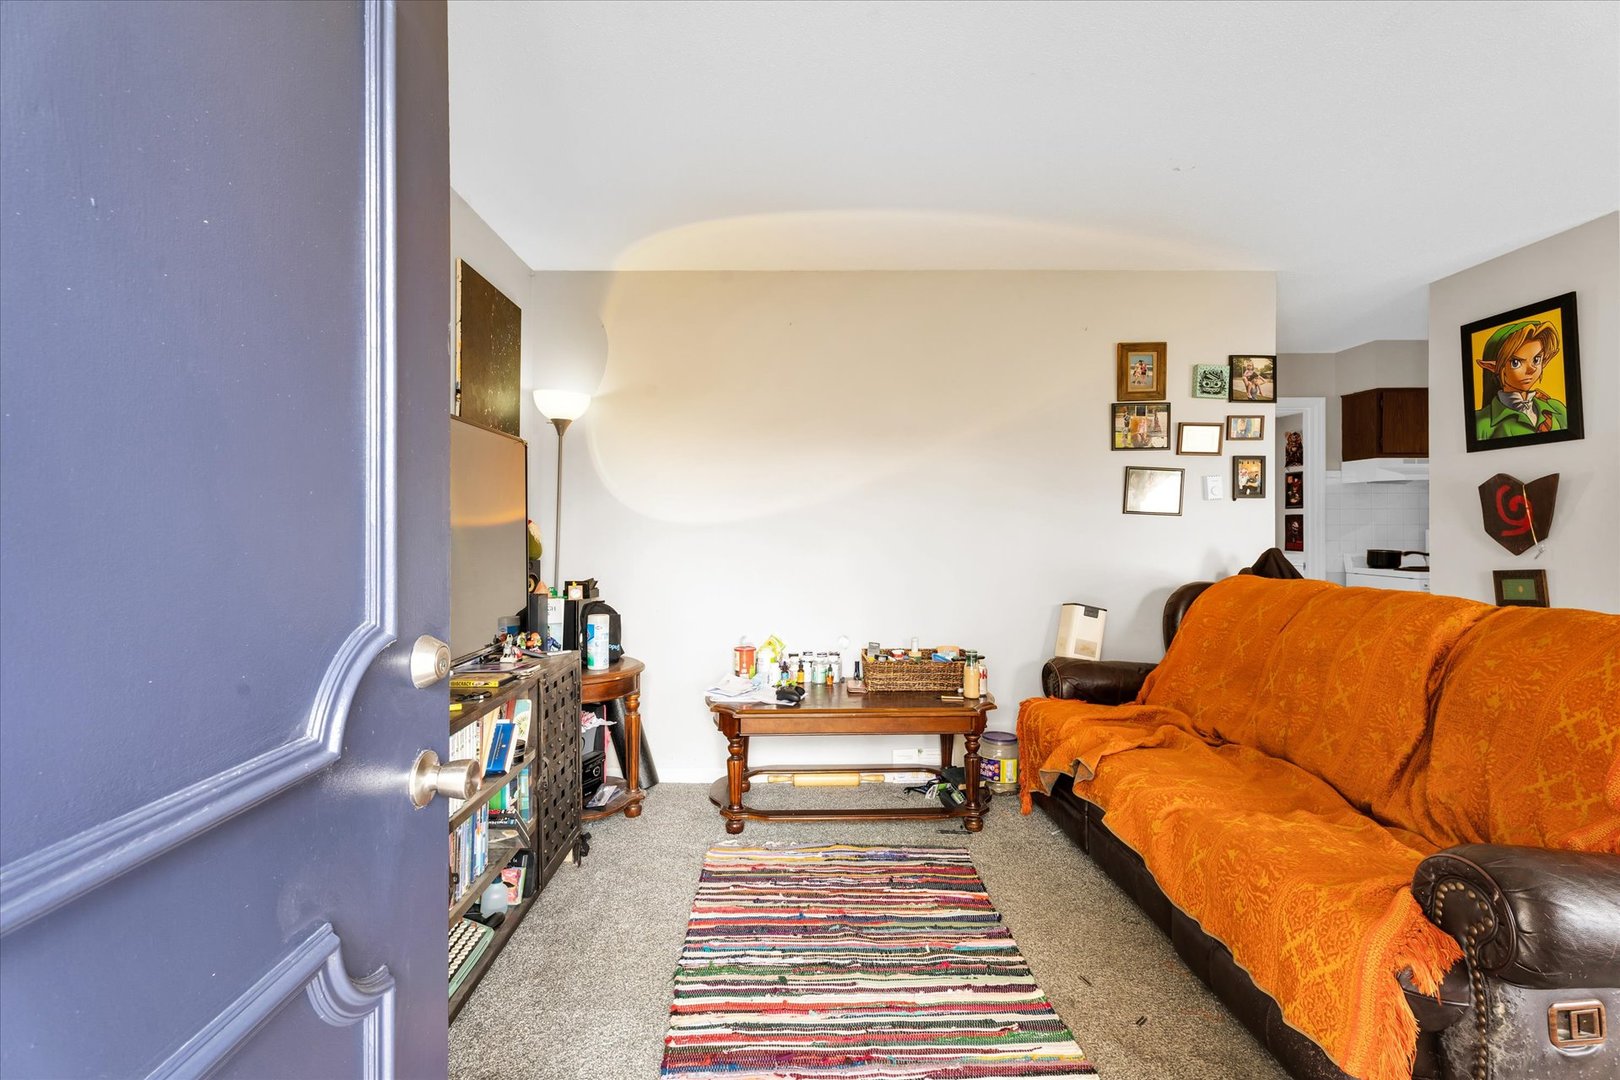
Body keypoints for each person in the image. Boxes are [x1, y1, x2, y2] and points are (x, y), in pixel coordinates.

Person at [1474, 320, 1568, 440]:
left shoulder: (1557, 409)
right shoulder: (1481, 423)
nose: (1531, 369)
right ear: (1494, 367)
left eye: (1536, 359)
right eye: (1516, 362)